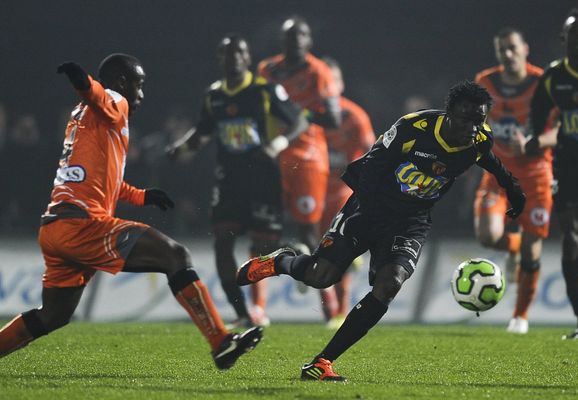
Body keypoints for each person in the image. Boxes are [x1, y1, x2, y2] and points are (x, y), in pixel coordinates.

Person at [237, 81, 526, 381]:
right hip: (368, 207)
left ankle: (323, 362)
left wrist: (512, 188)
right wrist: (371, 219)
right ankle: (281, 261)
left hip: (411, 220)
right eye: (466, 118)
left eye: (479, 120)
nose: (472, 126)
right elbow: (372, 168)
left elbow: (487, 159)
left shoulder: (479, 139)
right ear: (449, 113)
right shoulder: (414, 128)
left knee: (390, 284)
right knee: (320, 276)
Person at [0, 54, 263, 369]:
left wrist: (141, 196)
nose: (141, 94)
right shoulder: (114, 101)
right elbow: (97, 93)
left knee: (53, 315)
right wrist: (82, 81)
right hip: (83, 224)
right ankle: (220, 341)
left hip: (55, 228)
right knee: (176, 257)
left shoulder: (83, 118)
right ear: (123, 83)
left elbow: (103, 179)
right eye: (139, 85)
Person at [167, 35, 307, 328]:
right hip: (229, 180)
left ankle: (294, 252)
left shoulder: (264, 90)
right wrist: (180, 148)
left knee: (263, 246)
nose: (234, 59)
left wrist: (277, 143)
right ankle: (242, 312)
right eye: (228, 54)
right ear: (221, 58)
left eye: (240, 53)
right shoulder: (214, 94)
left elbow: (299, 121)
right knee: (222, 244)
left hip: (262, 179)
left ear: (247, 58)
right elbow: (203, 132)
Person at [473, 28, 555, 334]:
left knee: (533, 254)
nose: (507, 55)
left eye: (512, 48)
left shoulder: (542, 83)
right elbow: (475, 124)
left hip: (535, 176)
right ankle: (514, 247)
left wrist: (534, 143)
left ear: (525, 49)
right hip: (498, 174)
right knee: (487, 236)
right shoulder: (485, 82)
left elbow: (559, 131)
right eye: (502, 50)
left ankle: (520, 317)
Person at [526, 8, 578, 340]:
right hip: (568, 168)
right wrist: (532, 140)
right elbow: (537, 118)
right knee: (570, 240)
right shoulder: (554, 77)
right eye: (573, 33)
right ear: (563, 40)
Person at [257, 16, 342, 253]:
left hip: (307, 157)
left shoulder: (319, 72)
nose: (295, 40)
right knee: (262, 232)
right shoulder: (267, 69)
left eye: (301, 35)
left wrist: (299, 115)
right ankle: (287, 257)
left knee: (308, 231)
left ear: (310, 40)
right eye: (289, 35)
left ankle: (313, 274)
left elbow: (333, 119)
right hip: (272, 156)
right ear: (281, 40)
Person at [318, 57, 375, 329]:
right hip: (314, 190)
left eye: (332, 81)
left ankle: (338, 311)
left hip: (344, 190)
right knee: (319, 249)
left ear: (340, 84)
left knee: (337, 244)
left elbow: (375, 152)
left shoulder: (355, 116)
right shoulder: (311, 115)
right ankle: (331, 311)